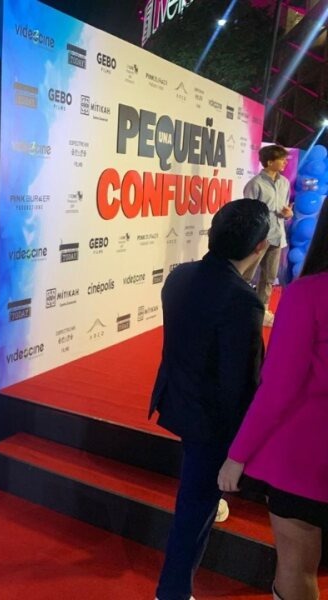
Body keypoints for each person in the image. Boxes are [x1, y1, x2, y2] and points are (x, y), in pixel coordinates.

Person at [149, 199, 270, 600]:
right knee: (193, 510)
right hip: (212, 421)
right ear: (260, 247)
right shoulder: (243, 301)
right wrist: (241, 449)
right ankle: (172, 592)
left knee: (197, 495)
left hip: (179, 402)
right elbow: (242, 384)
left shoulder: (179, 276)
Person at [218, 198, 328, 600]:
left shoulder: (308, 295)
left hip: (306, 461)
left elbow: (279, 387)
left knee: (296, 570)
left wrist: (237, 455)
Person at [242, 144, 293, 327]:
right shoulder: (255, 184)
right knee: (246, 275)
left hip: (277, 236)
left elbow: (285, 209)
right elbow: (248, 212)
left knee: (269, 277)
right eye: (282, 159)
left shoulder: (285, 183)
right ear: (270, 162)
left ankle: (262, 311)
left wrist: (288, 214)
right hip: (259, 237)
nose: (285, 162)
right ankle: (240, 308)